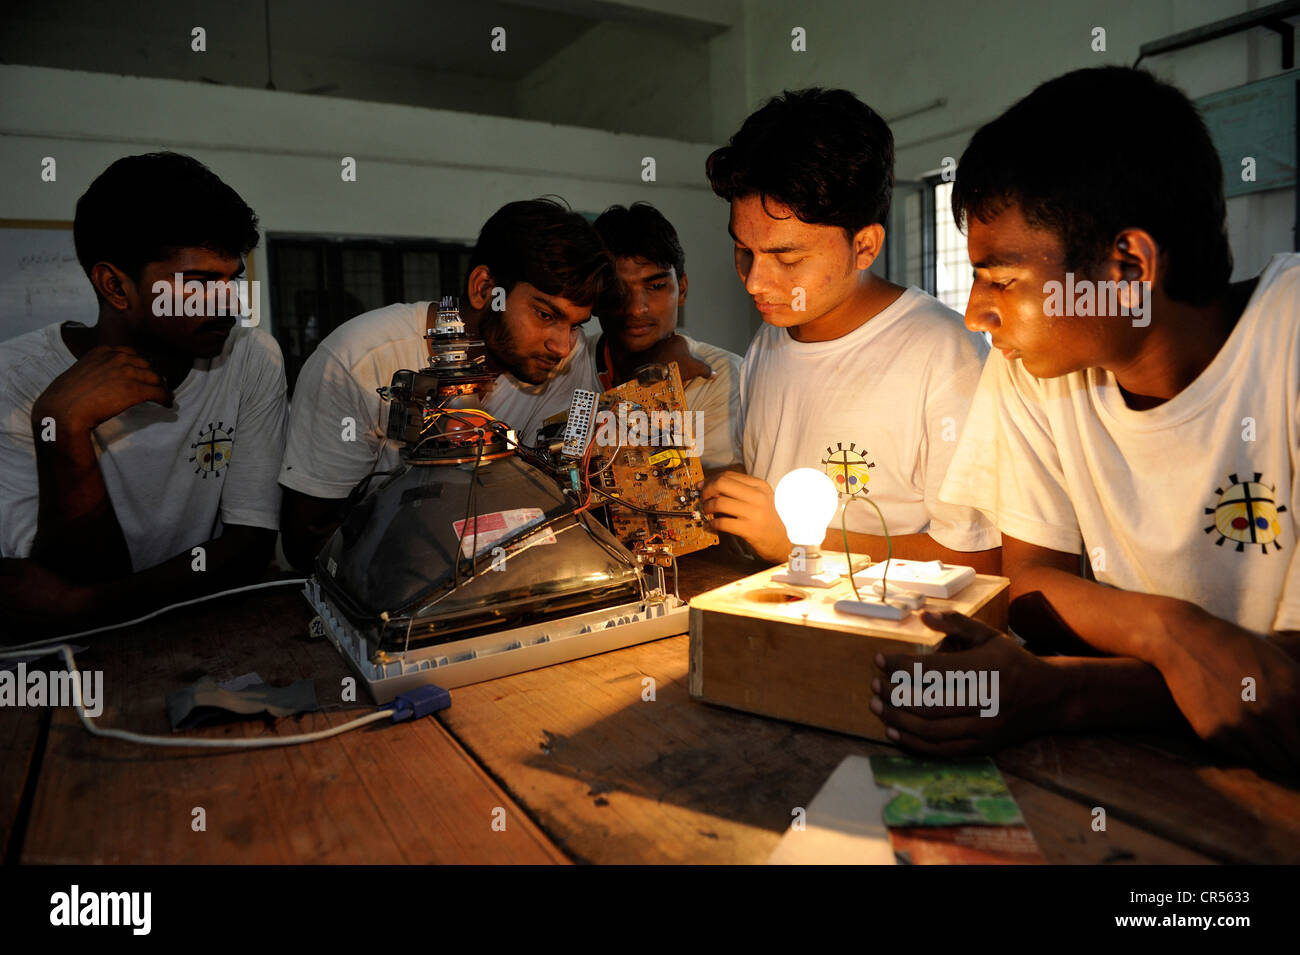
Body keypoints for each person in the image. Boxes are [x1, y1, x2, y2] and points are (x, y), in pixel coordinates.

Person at [873, 66, 1300, 774]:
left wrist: (1067, 692)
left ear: (1127, 265)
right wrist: (1173, 630)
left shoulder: (1287, 338)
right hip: (1137, 769)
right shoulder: (1035, 368)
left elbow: (1279, 692)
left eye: (1002, 280)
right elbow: (1034, 583)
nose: (978, 314)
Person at [699, 88, 1000, 572]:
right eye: (744, 252)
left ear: (865, 246)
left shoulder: (944, 354)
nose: (755, 281)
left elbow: (982, 562)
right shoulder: (770, 341)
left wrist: (801, 542)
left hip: (887, 639)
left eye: (788, 258)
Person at [0, 152, 287, 637]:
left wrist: (83, 607)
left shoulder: (251, 358)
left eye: (232, 279)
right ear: (115, 285)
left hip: (198, 636)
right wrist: (64, 427)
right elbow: (61, 574)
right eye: (197, 283)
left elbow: (249, 549)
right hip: (61, 671)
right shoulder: (16, 380)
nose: (229, 305)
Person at [278, 198, 616, 571]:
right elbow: (306, 545)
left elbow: (563, 492)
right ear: (484, 288)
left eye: (575, 325)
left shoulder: (566, 360)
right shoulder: (361, 360)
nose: (561, 344)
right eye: (545, 314)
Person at [590, 202, 742, 473]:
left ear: (682, 289)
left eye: (656, 286)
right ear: (594, 294)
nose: (637, 308)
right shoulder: (563, 360)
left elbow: (711, 495)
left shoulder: (726, 377)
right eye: (617, 288)